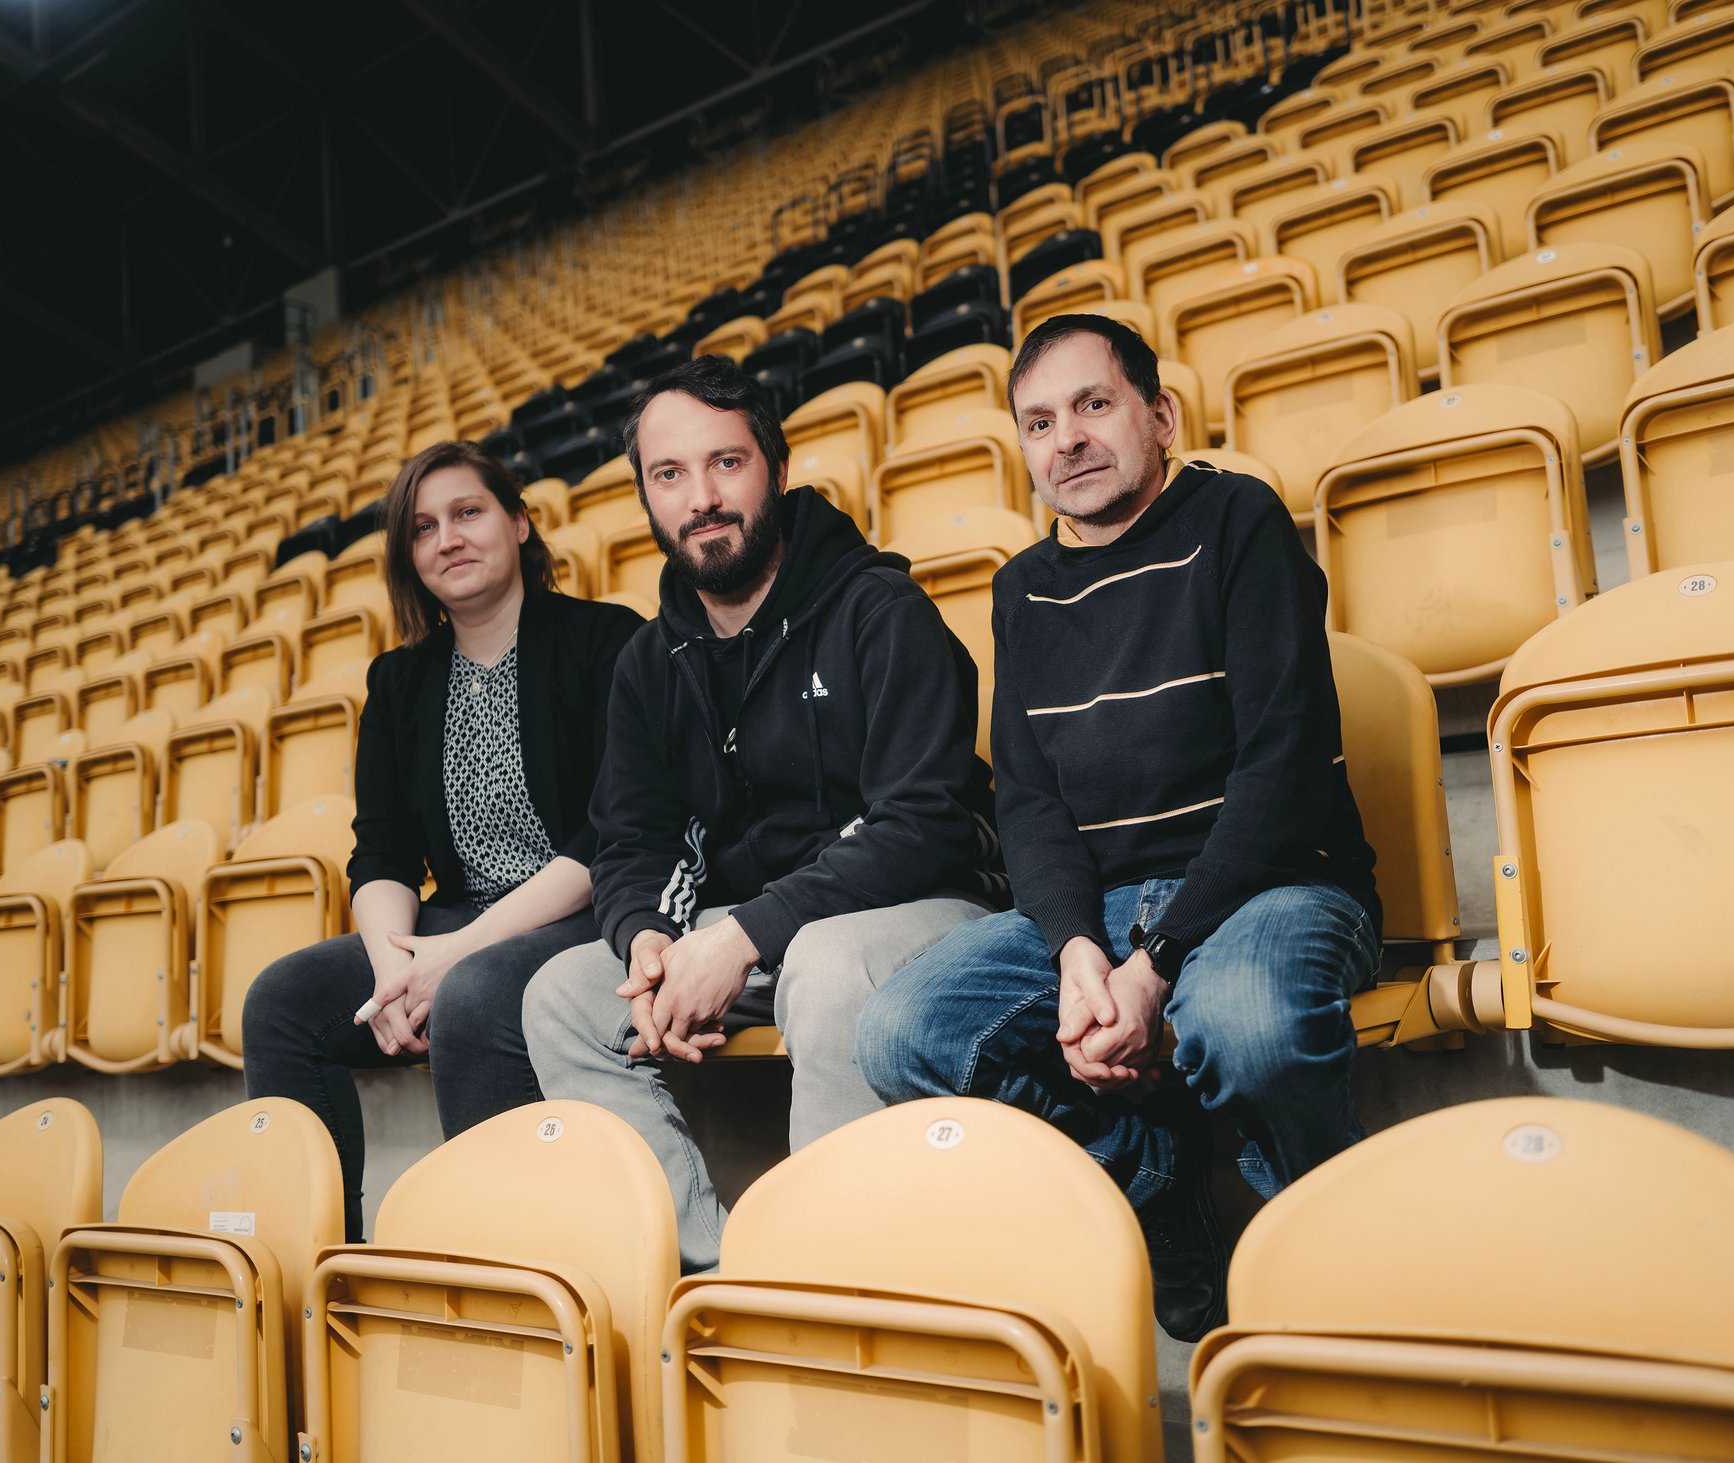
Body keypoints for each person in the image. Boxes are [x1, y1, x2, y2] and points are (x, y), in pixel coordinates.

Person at [854, 314, 1383, 1341]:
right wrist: (1077, 954)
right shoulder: (1020, 588)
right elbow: (1031, 803)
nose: (1068, 440)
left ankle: (1325, 1258)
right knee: (900, 1031)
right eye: (1039, 421)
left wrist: (1154, 963)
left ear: (1160, 415)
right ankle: (1153, 1185)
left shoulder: (1237, 521)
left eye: (1093, 405)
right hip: (1104, 905)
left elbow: (1279, 771)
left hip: (1269, 888)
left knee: (1250, 1026)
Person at [523, 356, 1004, 1272]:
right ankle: (718, 1263)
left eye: (726, 464)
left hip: (922, 904)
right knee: (561, 998)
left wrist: (740, 935)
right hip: (751, 930)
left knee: (823, 965)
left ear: (776, 470)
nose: (701, 497)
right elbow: (632, 840)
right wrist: (647, 940)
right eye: (669, 475)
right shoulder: (649, 661)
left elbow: (923, 826)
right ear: (648, 499)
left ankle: (830, 1281)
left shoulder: (879, 609)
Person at [243, 438, 643, 1242]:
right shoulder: (399, 682)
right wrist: (395, 967)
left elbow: (610, 834)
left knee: (472, 989)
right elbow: (382, 850)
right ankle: (319, 1262)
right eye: (423, 528)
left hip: (578, 909)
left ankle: (508, 1259)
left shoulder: (607, 641)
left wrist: (450, 956)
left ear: (520, 523)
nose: (448, 537)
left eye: (468, 512)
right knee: (282, 1001)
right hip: (449, 924)